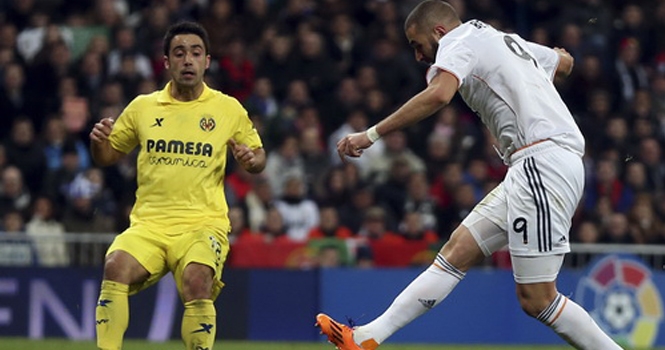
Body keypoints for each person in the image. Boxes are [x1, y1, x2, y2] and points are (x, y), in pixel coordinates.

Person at [316, 1, 621, 350]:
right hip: (532, 166)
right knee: (456, 250)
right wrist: (557, 55)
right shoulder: (503, 40)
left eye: (418, 46)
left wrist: (369, 134)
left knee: (538, 299)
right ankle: (366, 338)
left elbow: (439, 94)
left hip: (541, 162)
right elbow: (564, 64)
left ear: (439, 32)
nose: (418, 57)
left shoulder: (458, 43)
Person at [89, 21, 266, 350]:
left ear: (207, 61)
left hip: (203, 225)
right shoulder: (143, 108)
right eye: (180, 53)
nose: (188, 60)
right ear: (167, 62)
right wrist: (99, 143)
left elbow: (258, 157)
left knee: (197, 278)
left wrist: (250, 160)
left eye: (196, 53)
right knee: (114, 266)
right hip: (149, 225)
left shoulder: (227, 109)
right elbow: (108, 156)